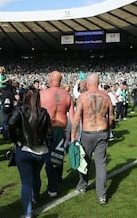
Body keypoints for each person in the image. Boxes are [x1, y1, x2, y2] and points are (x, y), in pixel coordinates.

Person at [71, 73, 113, 205]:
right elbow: (111, 117)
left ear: (88, 83)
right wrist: (108, 128)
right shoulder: (106, 96)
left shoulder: (83, 97)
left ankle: (82, 185)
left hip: (88, 132)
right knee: (101, 164)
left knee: (84, 161)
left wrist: (73, 136)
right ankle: (102, 195)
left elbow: (76, 119)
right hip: (102, 131)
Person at [8, 88, 51, 218]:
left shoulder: (20, 110)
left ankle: (28, 212)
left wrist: (16, 140)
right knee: (36, 175)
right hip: (41, 151)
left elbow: (10, 124)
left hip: (25, 150)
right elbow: (50, 133)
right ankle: (36, 197)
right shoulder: (43, 112)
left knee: (26, 182)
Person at [40, 71, 75, 197]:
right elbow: (73, 117)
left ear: (50, 80)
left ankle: (52, 187)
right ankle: (57, 179)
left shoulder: (42, 94)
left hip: (47, 129)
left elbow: (36, 114)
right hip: (61, 129)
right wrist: (74, 135)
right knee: (58, 156)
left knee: (49, 158)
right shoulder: (67, 95)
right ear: (61, 81)